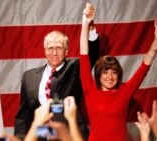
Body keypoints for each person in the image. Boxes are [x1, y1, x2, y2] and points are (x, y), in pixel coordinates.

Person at [79, 3, 157, 141]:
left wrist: (156, 43)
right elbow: (83, 55)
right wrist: (85, 23)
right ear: (99, 75)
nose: (110, 77)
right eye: (106, 72)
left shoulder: (125, 91)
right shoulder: (90, 89)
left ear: (119, 76)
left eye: (114, 72)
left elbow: (144, 67)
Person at [14, 11, 99, 140]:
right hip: (41, 135)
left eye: (59, 48)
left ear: (66, 50)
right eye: (50, 48)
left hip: (70, 134)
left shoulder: (75, 67)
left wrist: (90, 26)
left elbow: (91, 55)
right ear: (44, 51)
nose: (54, 52)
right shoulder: (29, 76)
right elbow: (23, 115)